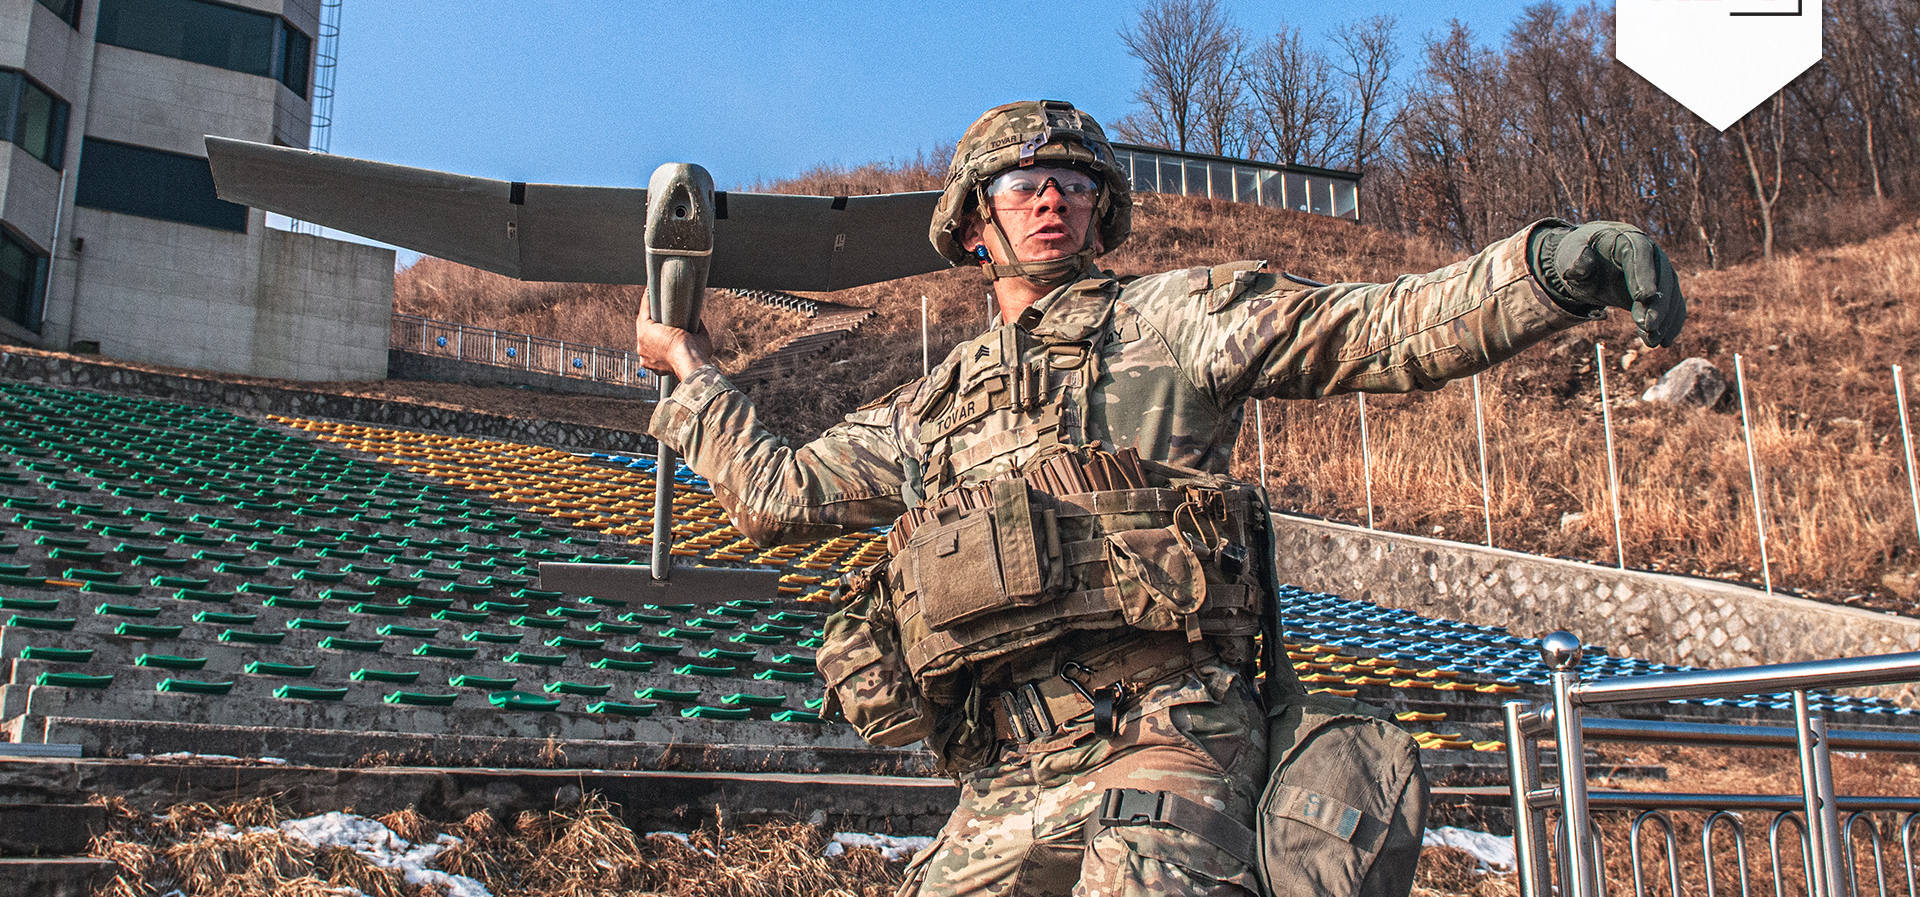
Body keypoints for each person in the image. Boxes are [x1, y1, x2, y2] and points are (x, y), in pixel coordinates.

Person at [633, 99, 1685, 897]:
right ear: (970, 229)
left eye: (1075, 184)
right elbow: (777, 492)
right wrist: (690, 368)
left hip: (1171, 732)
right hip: (1007, 769)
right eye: (1021, 183)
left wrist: (1546, 271)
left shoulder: (1175, 318)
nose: (1053, 199)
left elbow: (1379, 329)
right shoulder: (931, 413)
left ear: (1102, 213)